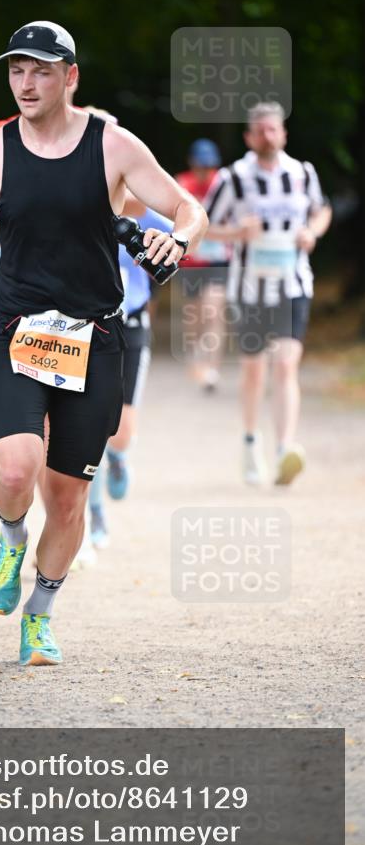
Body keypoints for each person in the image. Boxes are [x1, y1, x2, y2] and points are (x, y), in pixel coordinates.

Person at [0, 20, 207, 666]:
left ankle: (40, 613)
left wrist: (182, 238)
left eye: (41, 71)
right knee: (14, 469)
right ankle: (7, 537)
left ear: (70, 77)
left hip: (95, 338)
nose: (26, 83)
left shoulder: (111, 145)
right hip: (17, 333)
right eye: (16, 70)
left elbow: (185, 207)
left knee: (66, 498)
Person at [203, 102, 331, 486]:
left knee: (287, 363)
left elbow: (321, 211)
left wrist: (313, 232)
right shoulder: (233, 178)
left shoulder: (303, 174)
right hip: (250, 287)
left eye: (273, 129)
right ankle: (250, 441)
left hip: (294, 283)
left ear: (284, 133)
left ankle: (284, 449)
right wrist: (235, 234)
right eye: (259, 131)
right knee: (255, 370)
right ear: (249, 137)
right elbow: (203, 224)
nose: (267, 136)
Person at [88, 204, 173, 551]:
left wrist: (167, 245)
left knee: (120, 434)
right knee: (88, 428)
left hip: (133, 324)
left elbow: (184, 236)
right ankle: (94, 513)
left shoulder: (152, 218)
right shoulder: (88, 205)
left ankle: (118, 458)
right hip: (88, 326)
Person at [175, 139, 229, 392]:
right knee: (195, 314)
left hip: (218, 259)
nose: (205, 171)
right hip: (191, 262)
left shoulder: (224, 184)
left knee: (213, 311)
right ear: (192, 163)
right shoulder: (181, 184)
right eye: (201, 166)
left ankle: (212, 368)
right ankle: (196, 354)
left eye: (209, 166)